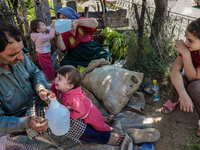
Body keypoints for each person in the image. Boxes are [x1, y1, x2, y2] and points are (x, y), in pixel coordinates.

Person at [0, 21, 125, 146]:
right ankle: (103, 136)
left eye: (21, 51)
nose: (21, 57)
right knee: (64, 116)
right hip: (20, 118)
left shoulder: (19, 57)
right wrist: (27, 122)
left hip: (37, 100)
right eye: (13, 55)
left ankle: (96, 121)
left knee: (76, 100)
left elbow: (34, 73)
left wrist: (41, 88)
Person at [161, 18, 200, 137]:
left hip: (197, 81)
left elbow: (194, 78)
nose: (186, 43)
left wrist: (186, 55)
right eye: (186, 38)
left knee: (193, 88)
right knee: (177, 81)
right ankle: (174, 100)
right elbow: (174, 71)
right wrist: (182, 95)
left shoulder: (187, 51)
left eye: (190, 40)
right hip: (193, 76)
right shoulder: (189, 48)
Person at [50, 65, 114, 132]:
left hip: (88, 113)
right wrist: (51, 92)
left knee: (99, 125)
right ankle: (104, 119)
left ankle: (108, 128)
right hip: (81, 109)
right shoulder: (60, 86)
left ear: (69, 86)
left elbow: (81, 112)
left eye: (59, 79)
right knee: (98, 118)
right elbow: (54, 86)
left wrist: (68, 113)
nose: (56, 80)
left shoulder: (73, 98)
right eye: (56, 76)